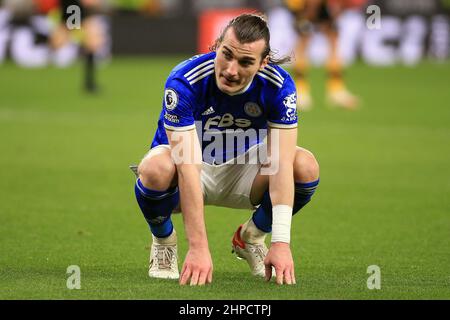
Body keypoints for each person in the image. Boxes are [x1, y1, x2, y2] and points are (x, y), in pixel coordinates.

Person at [132, 13, 320, 286]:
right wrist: (198, 248)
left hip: (245, 173)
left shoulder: (279, 87)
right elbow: (187, 167)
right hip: (187, 174)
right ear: (216, 45)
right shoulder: (185, 80)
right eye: (227, 55)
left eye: (245, 62)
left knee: (304, 165)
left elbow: (280, 164)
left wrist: (281, 242)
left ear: (262, 63)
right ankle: (163, 239)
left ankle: (252, 236)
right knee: (154, 168)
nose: (231, 70)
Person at [285, 0, 359, 110]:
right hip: (299, 4)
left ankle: (336, 90)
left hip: (318, 5)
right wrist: (307, 14)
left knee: (333, 37)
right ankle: (299, 91)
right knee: (303, 38)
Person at [50, 0, 107, 92]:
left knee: (93, 43)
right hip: (71, 13)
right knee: (55, 43)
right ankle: (89, 83)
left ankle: (89, 83)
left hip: (76, 14)